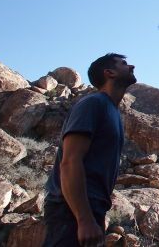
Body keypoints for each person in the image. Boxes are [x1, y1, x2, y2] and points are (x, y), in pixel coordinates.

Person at [43, 53, 136, 247]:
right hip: (70, 210)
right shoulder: (93, 104)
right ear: (109, 73)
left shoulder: (112, 112)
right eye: (124, 64)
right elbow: (70, 161)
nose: (131, 66)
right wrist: (83, 219)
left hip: (90, 209)